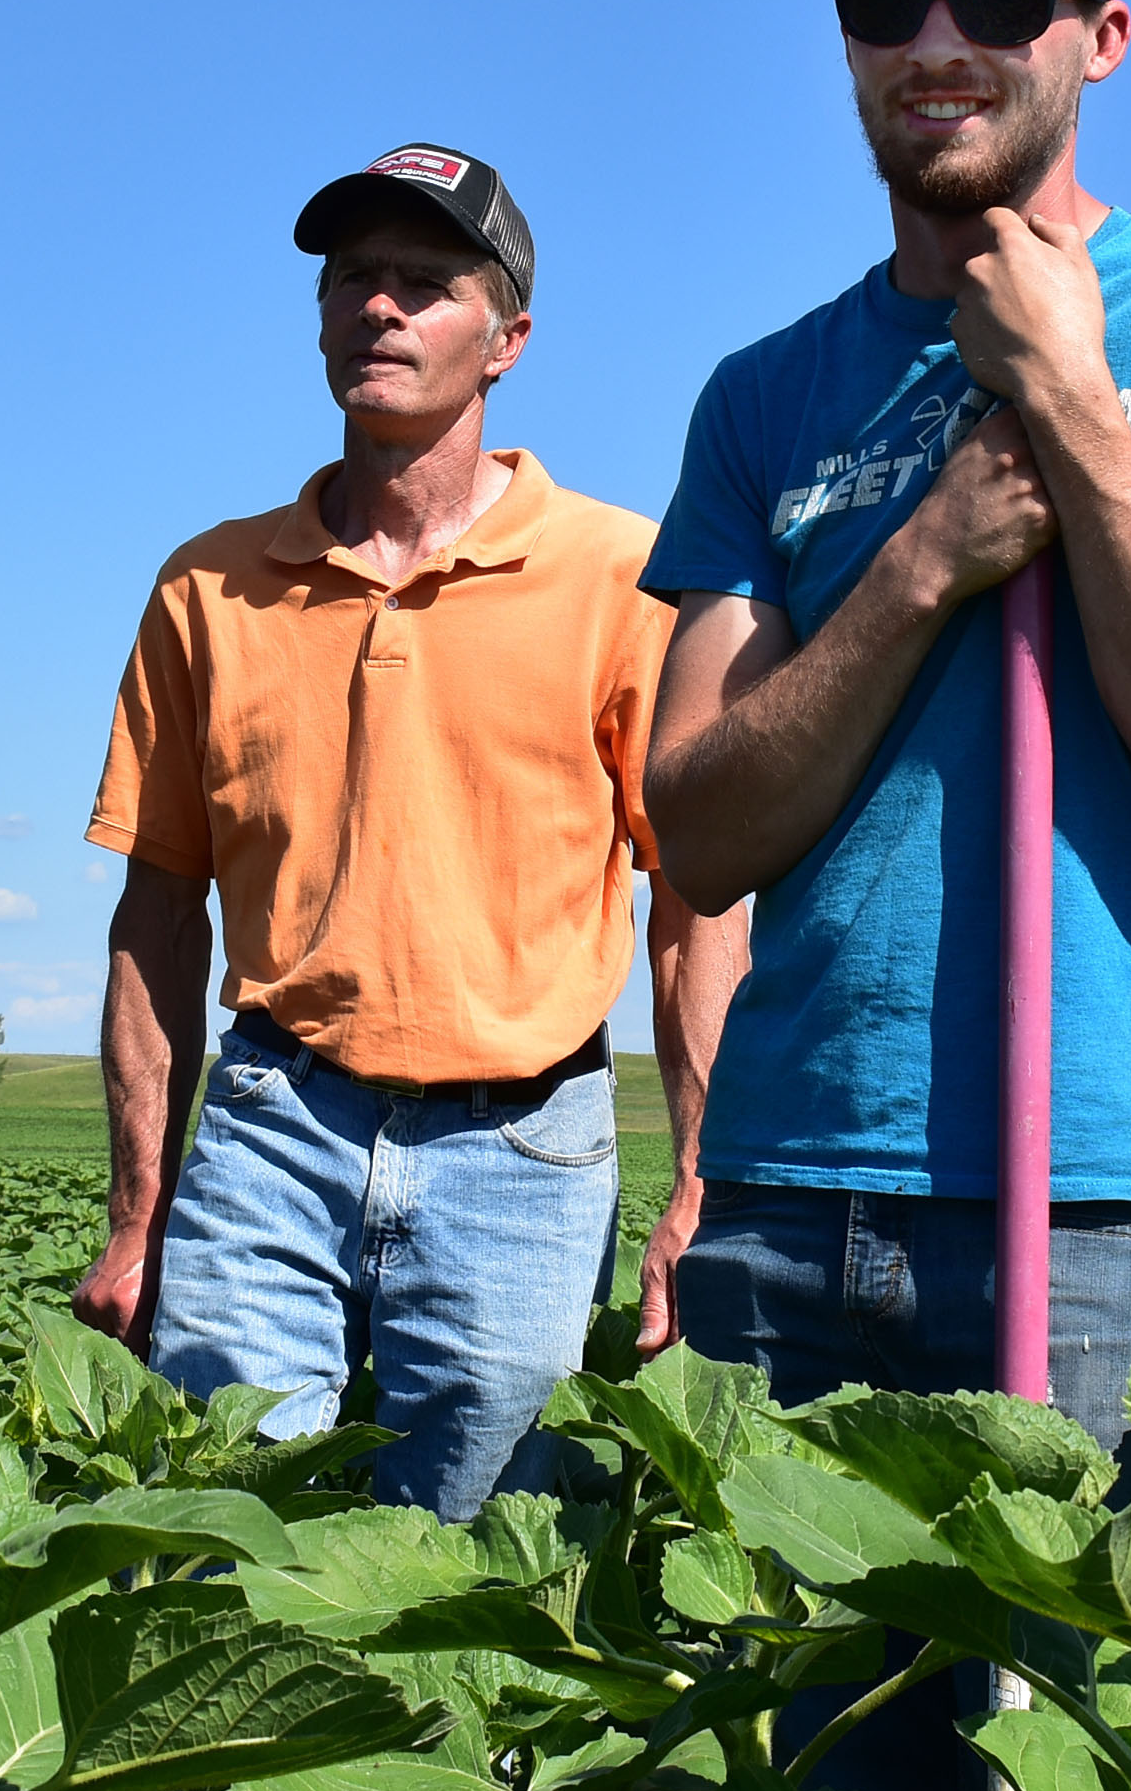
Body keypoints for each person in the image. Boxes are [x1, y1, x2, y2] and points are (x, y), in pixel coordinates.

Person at [641, 0, 1131, 1791]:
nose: (936, 36)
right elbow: (697, 824)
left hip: (1081, 1208)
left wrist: (1071, 406)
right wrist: (925, 558)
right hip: (786, 1202)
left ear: (1097, 34)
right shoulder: (765, 393)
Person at [71, 144, 744, 1523]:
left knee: (475, 1561)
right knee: (216, 1529)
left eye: (425, 283)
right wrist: (139, 1210)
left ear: (507, 339)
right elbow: (155, 915)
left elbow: (694, 908)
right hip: (272, 1121)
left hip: (525, 1143)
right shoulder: (207, 587)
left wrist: (697, 1180)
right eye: (352, 278)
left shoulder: (622, 576)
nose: (378, 305)